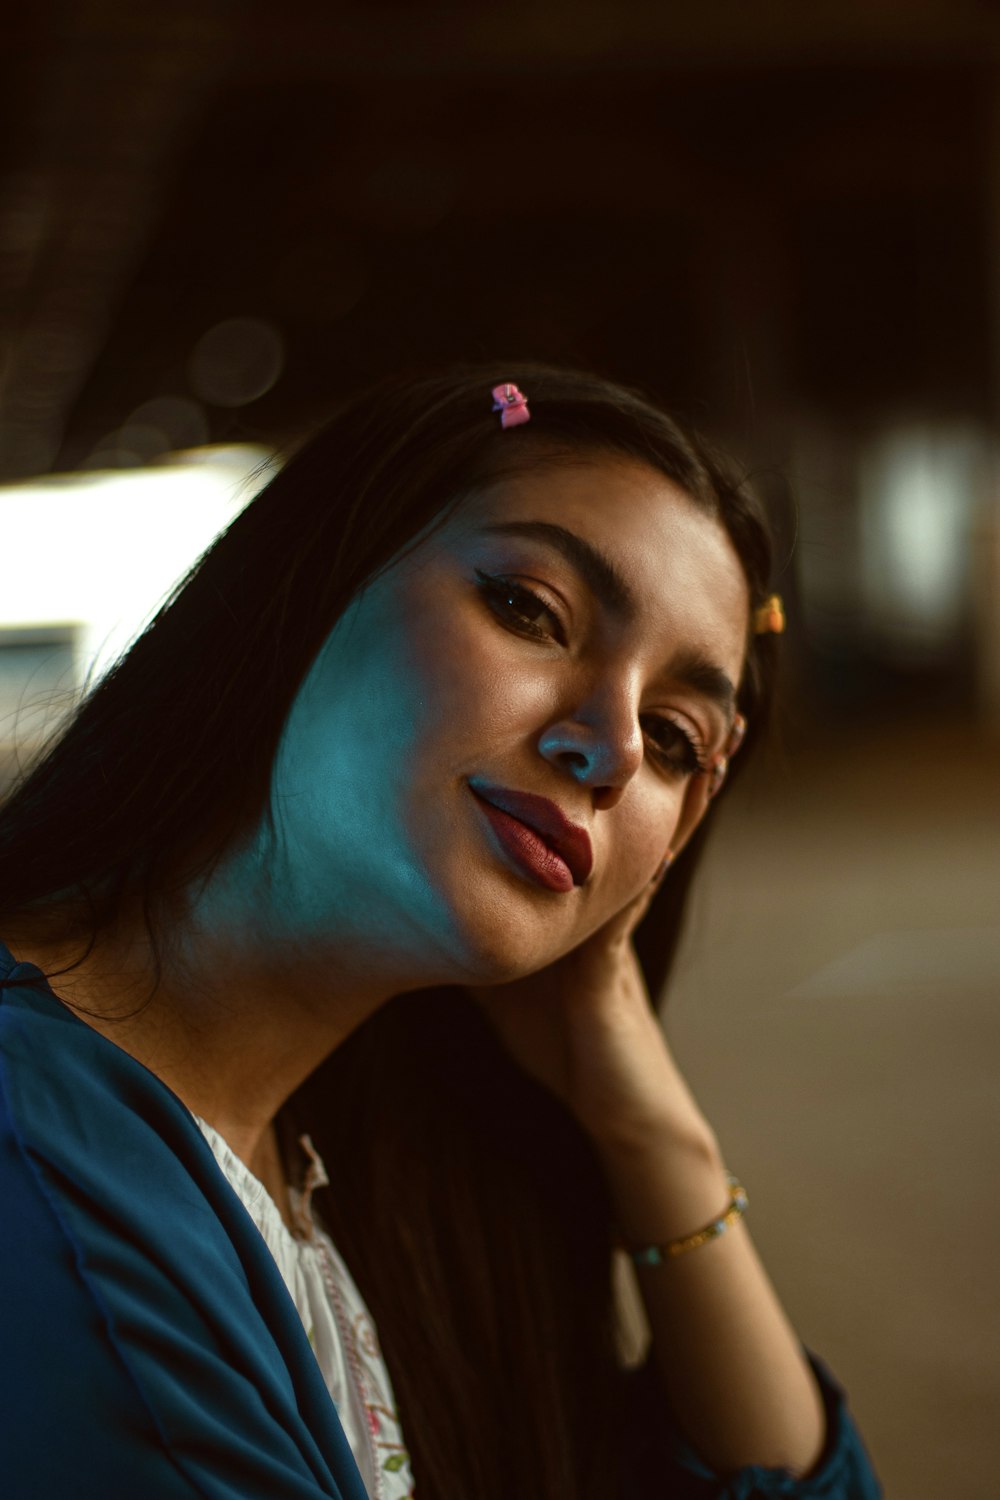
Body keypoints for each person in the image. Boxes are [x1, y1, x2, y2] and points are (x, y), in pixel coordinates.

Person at [0, 364, 882, 1499]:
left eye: (672, 737)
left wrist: (645, 1119)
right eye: (530, 610)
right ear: (310, 585)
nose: (607, 749)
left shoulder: (354, 1158)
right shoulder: (46, 1167)